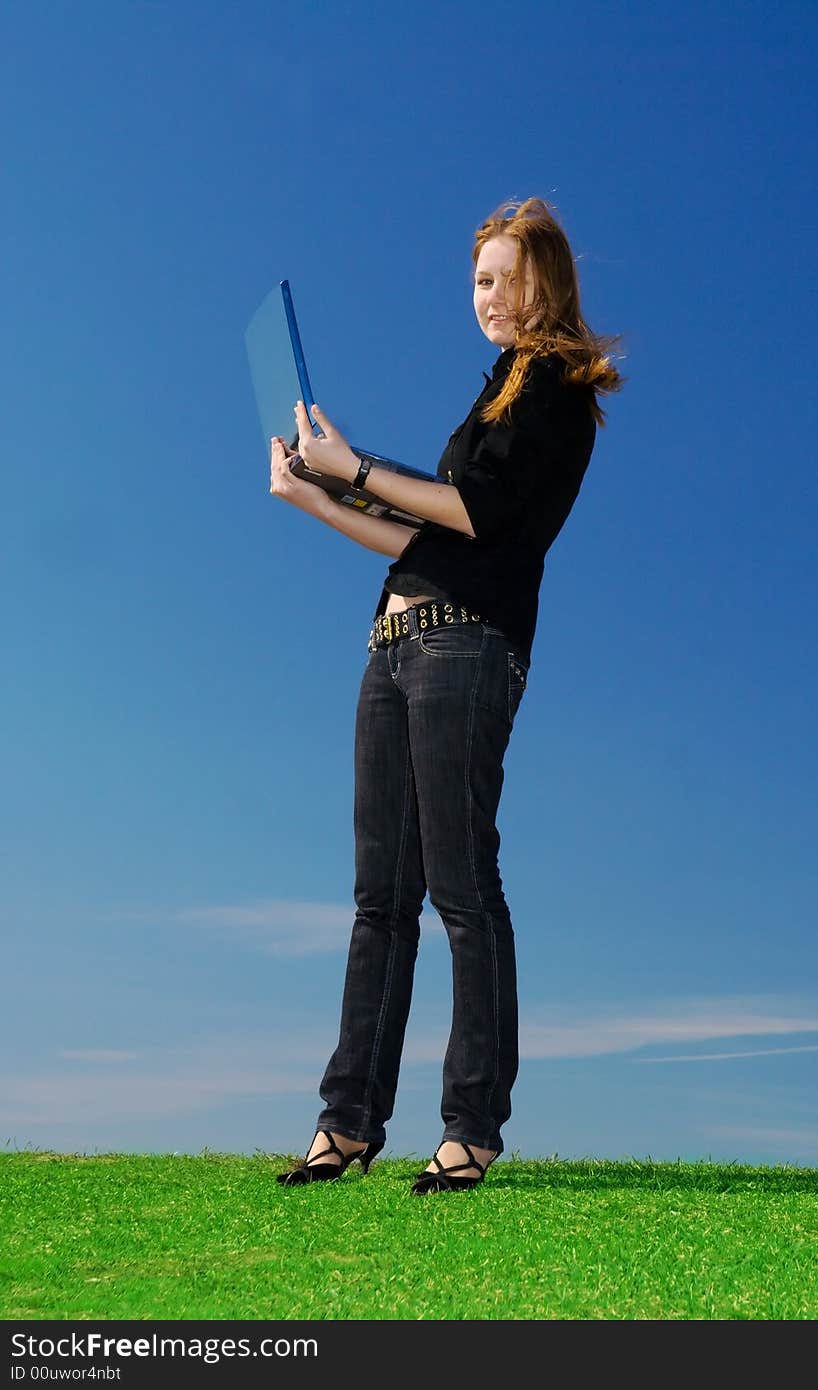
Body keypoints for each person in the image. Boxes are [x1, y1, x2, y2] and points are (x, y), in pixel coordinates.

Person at [270, 196, 624, 1194]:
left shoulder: (552, 386)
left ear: (540, 281)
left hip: (466, 652)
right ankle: (346, 1123)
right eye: (474, 280)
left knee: (462, 891)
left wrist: (360, 467)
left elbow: (477, 513)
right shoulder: (494, 395)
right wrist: (320, 494)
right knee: (379, 900)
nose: (483, 296)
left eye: (498, 277)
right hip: (393, 642)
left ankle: (470, 1128)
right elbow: (425, 543)